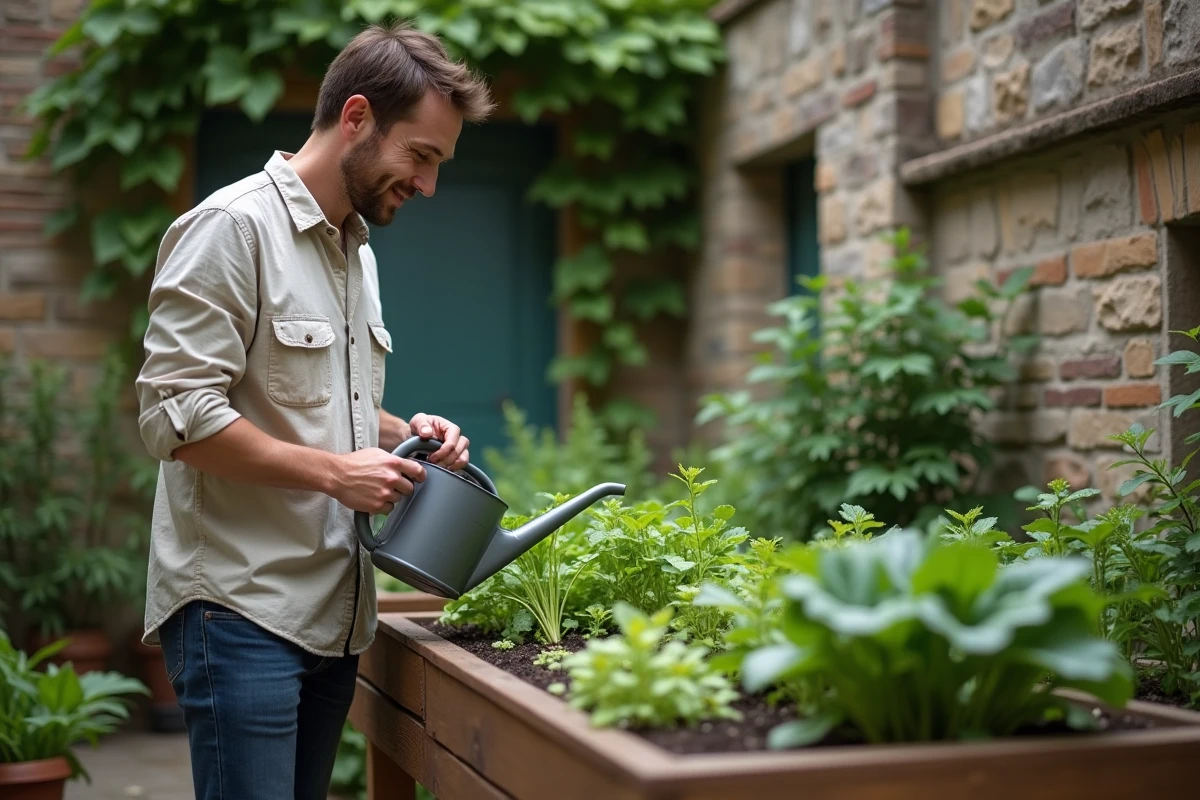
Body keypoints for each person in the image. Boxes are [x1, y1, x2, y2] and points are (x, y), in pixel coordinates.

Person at [133, 21, 495, 800]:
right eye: (421, 156)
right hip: (238, 611)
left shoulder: (354, 250)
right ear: (357, 117)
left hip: (333, 619)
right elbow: (176, 415)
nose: (428, 185)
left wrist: (410, 434)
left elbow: (317, 401)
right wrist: (335, 473)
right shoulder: (231, 229)